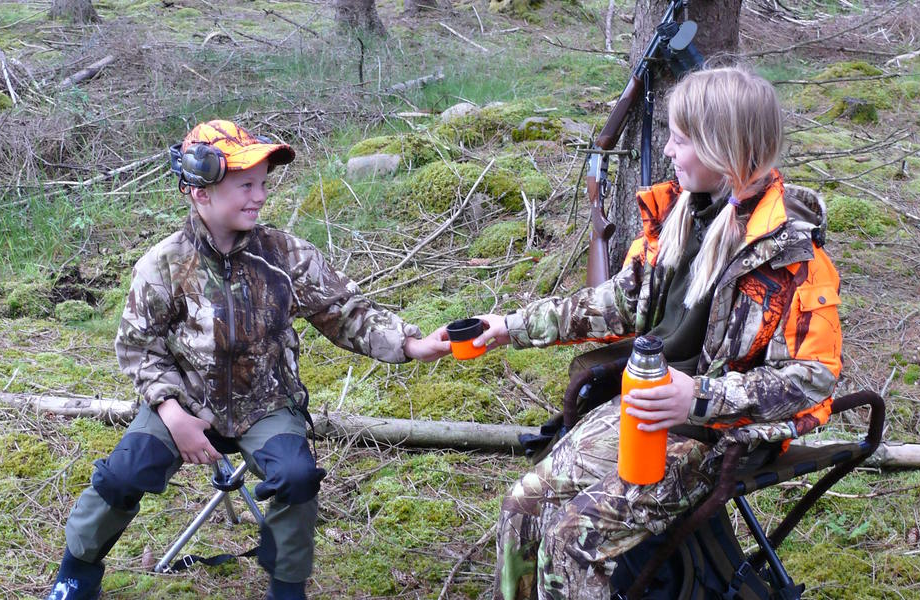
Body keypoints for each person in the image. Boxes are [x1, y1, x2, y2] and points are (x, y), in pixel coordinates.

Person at [468, 67, 843, 600]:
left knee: (574, 538)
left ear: (725, 148)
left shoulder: (793, 256)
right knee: (522, 505)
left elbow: (814, 377)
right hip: (644, 409)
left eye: (680, 140)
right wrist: (507, 327)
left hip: (716, 434)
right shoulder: (679, 216)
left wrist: (702, 396)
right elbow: (617, 301)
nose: (667, 151)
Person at [44, 120, 449, 600]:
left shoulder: (286, 254)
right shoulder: (164, 265)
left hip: (268, 403)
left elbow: (346, 314)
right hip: (186, 404)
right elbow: (138, 348)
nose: (258, 196)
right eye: (244, 185)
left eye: (262, 184)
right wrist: (174, 415)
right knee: (124, 473)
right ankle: (77, 571)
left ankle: (286, 586)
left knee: (297, 477)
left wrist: (410, 344)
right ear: (199, 193)